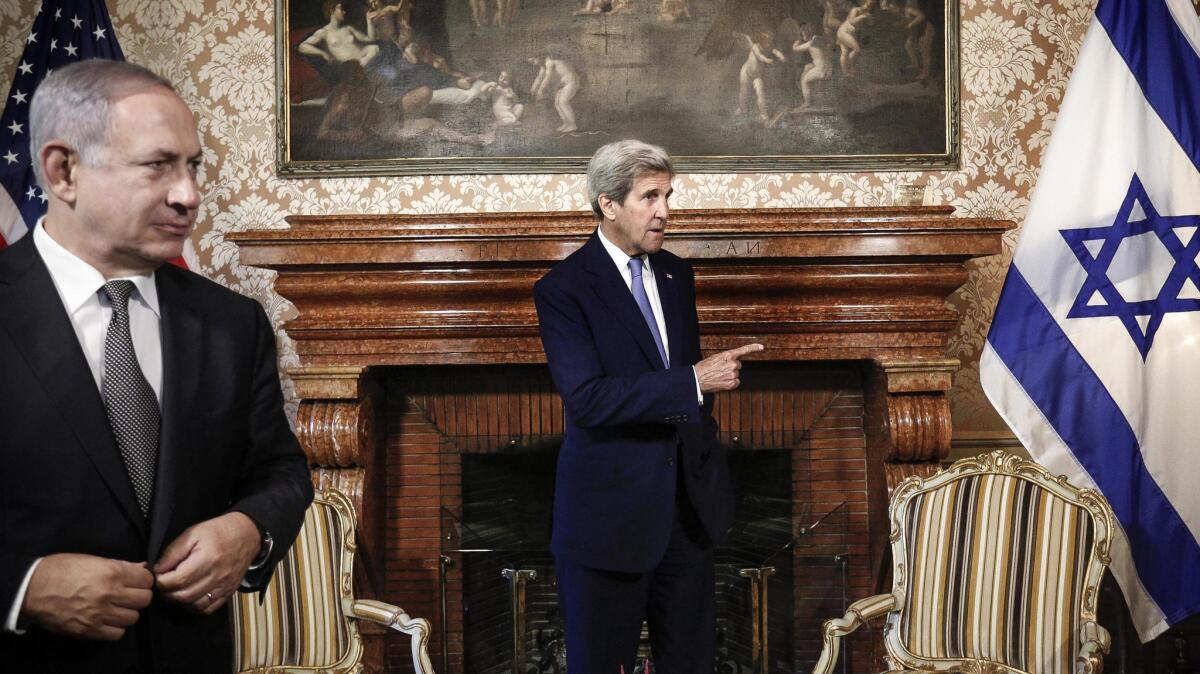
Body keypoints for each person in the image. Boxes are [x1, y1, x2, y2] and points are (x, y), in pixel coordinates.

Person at [0, 59, 314, 672]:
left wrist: (248, 529)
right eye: (158, 166)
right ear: (63, 172)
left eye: (192, 165)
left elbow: (281, 472)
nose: (189, 194)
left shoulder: (232, 323)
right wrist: (22, 586)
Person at [533, 140, 763, 673]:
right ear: (607, 204)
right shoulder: (563, 289)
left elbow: (683, 394)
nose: (666, 211)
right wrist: (695, 380)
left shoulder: (676, 275)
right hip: (607, 522)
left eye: (668, 195)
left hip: (686, 516)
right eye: (649, 196)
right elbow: (587, 399)